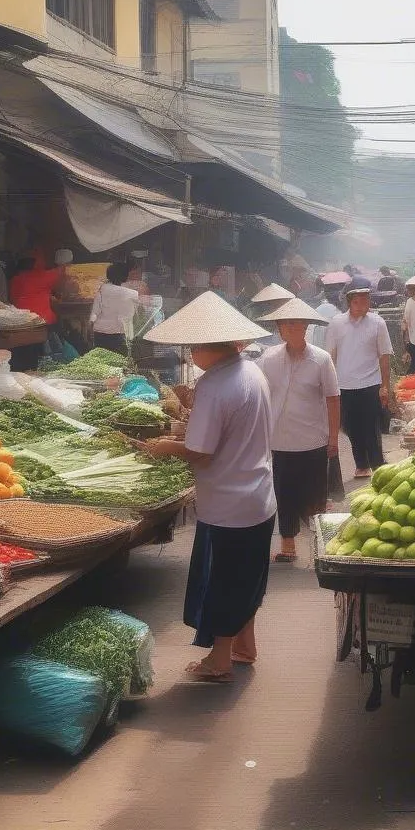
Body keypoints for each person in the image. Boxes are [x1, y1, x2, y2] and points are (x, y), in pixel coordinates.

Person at [143, 292, 276, 683]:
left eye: (192, 348)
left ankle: (219, 661)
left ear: (206, 348)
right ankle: (244, 646)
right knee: (247, 577)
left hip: (228, 504)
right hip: (258, 496)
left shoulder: (215, 385)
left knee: (223, 581)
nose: (189, 355)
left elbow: (200, 451)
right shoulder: (250, 371)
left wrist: (164, 446)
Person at [256, 298, 340, 563]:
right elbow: (257, 392)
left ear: (306, 327)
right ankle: (288, 545)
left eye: (298, 324)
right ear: (279, 329)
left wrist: (334, 438)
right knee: (284, 494)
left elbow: (333, 398)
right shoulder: (267, 359)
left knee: (315, 496)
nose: (292, 328)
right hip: (279, 440)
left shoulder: (321, 359)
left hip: (313, 439)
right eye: (287, 324)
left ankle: (322, 547)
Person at [326, 284, 393, 478]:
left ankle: (378, 464)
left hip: (371, 383)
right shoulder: (337, 323)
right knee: (352, 427)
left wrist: (385, 386)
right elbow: (331, 356)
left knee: (372, 426)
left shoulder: (377, 323)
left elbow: (384, 356)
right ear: (350, 302)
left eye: (367, 300)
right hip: (344, 385)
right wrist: (329, 385)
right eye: (359, 301)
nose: (364, 304)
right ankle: (361, 464)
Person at [89, 263, 140, 355]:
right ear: (125, 276)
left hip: (101, 333)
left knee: (102, 362)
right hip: (122, 334)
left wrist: (90, 327)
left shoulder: (102, 290)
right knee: (121, 362)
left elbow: (95, 312)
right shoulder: (133, 294)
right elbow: (134, 315)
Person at [8, 251, 64, 324]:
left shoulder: (14, 280)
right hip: (42, 321)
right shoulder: (42, 277)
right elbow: (63, 271)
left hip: (20, 322)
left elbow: (14, 298)